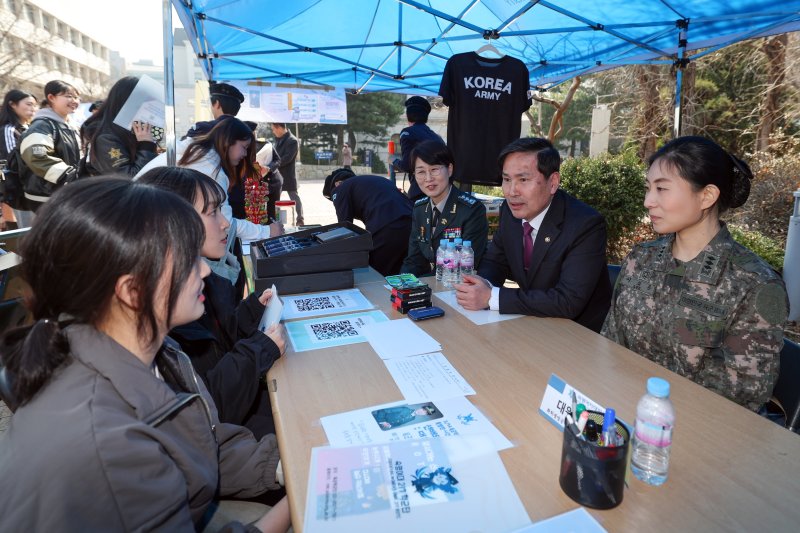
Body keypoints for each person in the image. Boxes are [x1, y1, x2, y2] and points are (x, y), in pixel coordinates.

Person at [0, 177, 290, 531]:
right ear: (132, 291)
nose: (201, 270)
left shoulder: (158, 352)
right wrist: (297, 501)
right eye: (186, 260)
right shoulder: (106, 444)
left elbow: (200, 441)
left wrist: (286, 462)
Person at [602, 136, 788, 412]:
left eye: (662, 189)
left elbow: (742, 397)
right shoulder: (641, 258)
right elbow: (609, 343)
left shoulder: (755, 284)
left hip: (695, 432)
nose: (648, 201)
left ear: (707, 196)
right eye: (648, 188)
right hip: (619, 405)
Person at [139, 166, 286, 438]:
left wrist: (253, 310)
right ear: (173, 222)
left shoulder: (209, 283)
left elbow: (224, 340)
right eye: (212, 212)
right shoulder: (171, 311)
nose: (225, 223)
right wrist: (259, 350)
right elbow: (213, 405)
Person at [454, 137, 611, 332]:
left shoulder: (585, 224)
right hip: (530, 322)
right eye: (506, 179)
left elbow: (568, 301)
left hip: (577, 333)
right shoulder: (510, 212)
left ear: (553, 182)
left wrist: (492, 297)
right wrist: (481, 285)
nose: (511, 192)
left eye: (523, 180)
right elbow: (496, 262)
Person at [137, 116, 283, 243]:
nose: (245, 154)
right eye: (244, 147)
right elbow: (225, 224)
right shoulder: (210, 168)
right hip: (144, 231)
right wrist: (267, 231)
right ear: (229, 141)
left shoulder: (195, 153)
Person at [401, 140, 488, 277]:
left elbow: (464, 267)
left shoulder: (471, 210)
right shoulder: (419, 209)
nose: (428, 178)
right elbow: (414, 260)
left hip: (460, 288)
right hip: (430, 286)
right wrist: (402, 285)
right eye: (421, 172)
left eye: (434, 169)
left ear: (450, 169)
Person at [323, 168, 413, 276]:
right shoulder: (368, 182)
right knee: (398, 274)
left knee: (375, 275)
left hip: (386, 226)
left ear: (337, 183)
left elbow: (344, 228)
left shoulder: (341, 188)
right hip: (411, 222)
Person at [17, 80, 82, 212]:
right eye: (68, 96)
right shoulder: (42, 125)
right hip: (47, 197)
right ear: (51, 98)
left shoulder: (70, 125)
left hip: (65, 192)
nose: (74, 100)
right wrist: (70, 176)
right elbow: (37, 156)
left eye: (76, 97)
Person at [81, 76, 158, 177]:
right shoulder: (106, 137)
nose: (147, 107)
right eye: (142, 101)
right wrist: (147, 145)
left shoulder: (129, 127)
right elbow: (129, 177)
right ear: (125, 101)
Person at [392, 96, 444, 201]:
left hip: (420, 192)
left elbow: (407, 165)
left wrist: (394, 161)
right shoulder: (437, 137)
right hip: (440, 192)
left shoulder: (408, 132)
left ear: (408, 116)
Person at [0, 89, 36, 229]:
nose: (33, 108)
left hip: (33, 187)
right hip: (19, 189)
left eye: (34, 105)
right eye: (28, 104)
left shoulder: (29, 128)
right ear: (13, 105)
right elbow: (11, 163)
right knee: (25, 230)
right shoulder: (8, 130)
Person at [271, 122, 304, 225]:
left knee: (294, 196)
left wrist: (272, 166)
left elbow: (287, 158)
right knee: (274, 198)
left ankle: (300, 219)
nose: (273, 132)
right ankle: (273, 219)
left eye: (273, 129)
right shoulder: (277, 140)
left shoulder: (292, 140)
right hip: (277, 176)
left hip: (288, 175)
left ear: (279, 128)